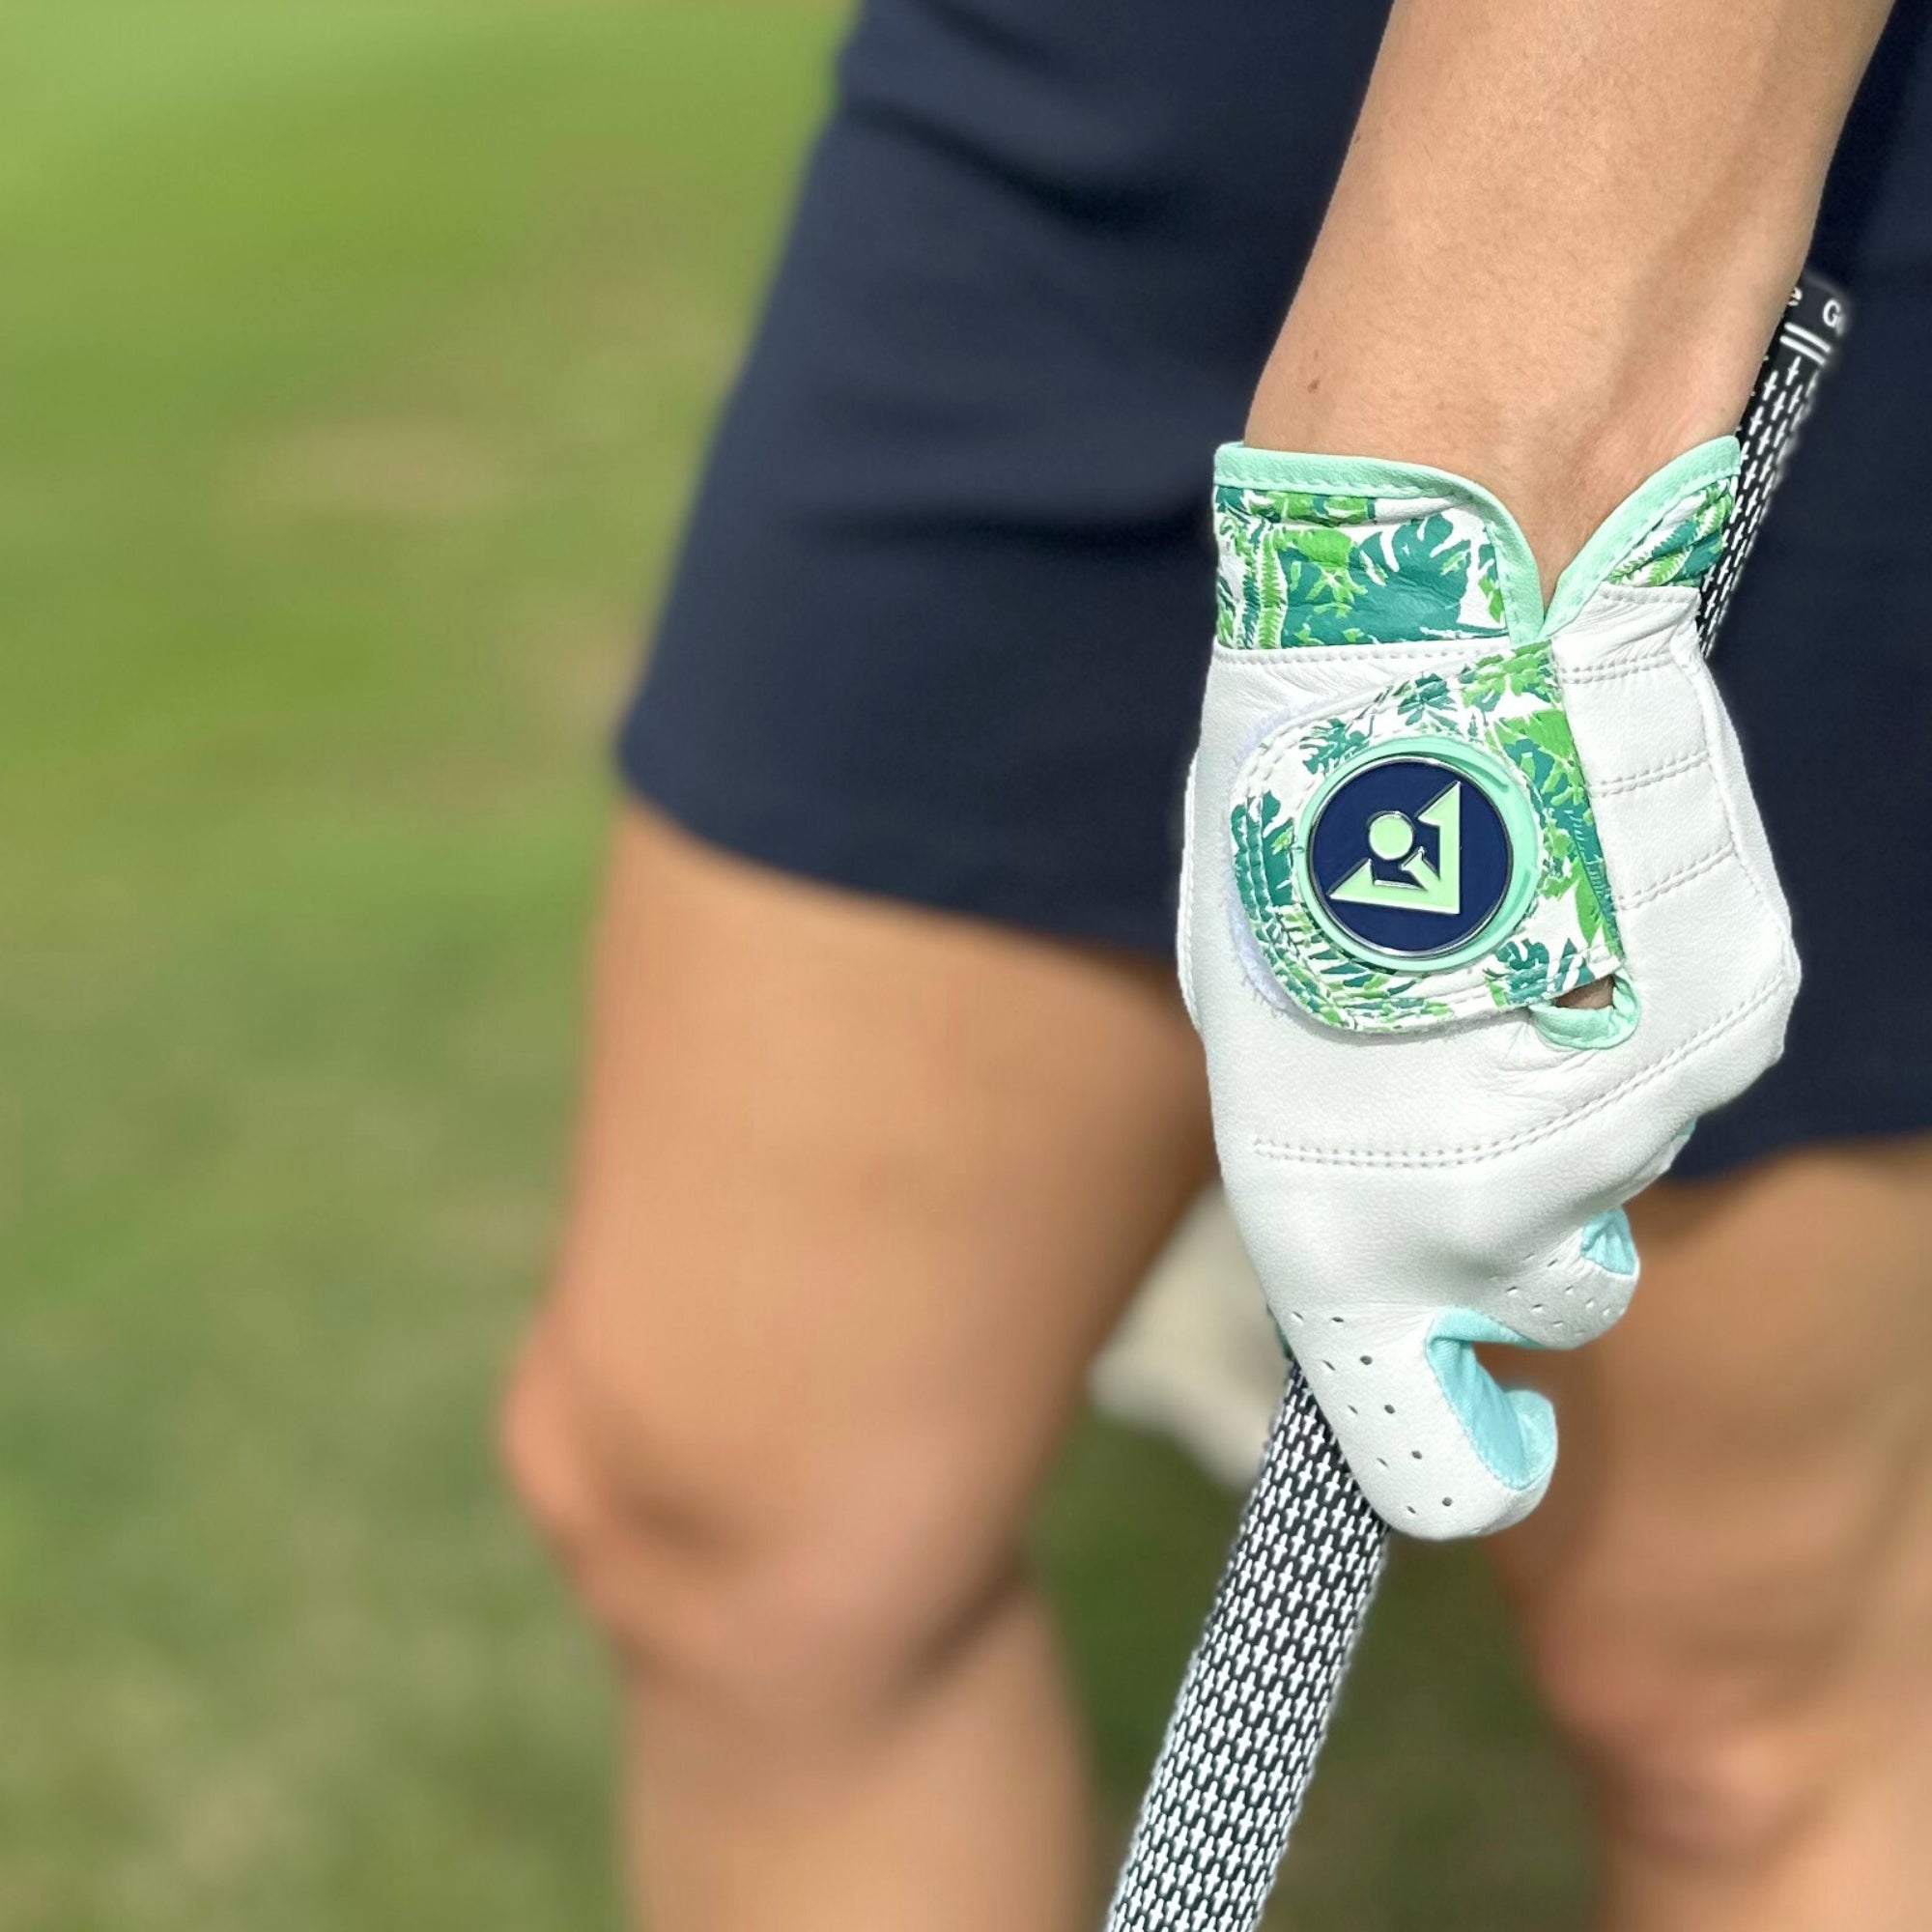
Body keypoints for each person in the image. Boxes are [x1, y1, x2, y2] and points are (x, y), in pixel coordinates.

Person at [501, 0, 1932, 1923]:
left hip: (1766, 113)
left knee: (1721, 1683)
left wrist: (1427, 567)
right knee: (739, 1523)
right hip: (1095, 82)